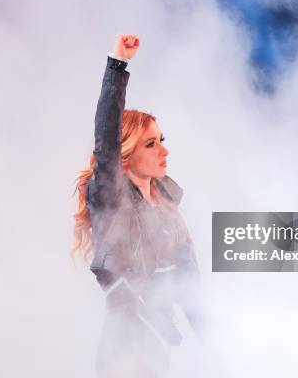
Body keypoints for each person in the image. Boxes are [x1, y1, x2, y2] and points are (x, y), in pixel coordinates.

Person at [72, 34, 203, 377]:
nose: (164, 151)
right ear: (126, 156)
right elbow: (106, 139)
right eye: (150, 144)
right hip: (124, 350)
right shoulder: (110, 196)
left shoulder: (168, 210)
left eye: (162, 140)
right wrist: (117, 66)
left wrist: (220, 344)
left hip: (158, 348)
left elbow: (190, 285)